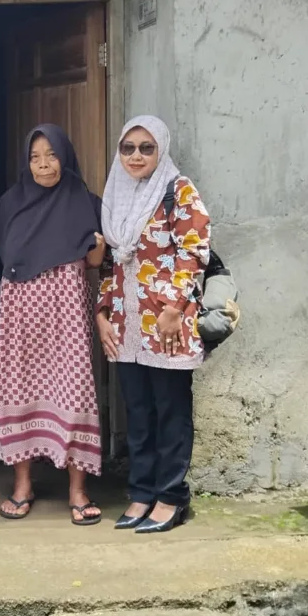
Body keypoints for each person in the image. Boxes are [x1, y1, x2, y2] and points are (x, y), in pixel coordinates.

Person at [0, 124, 106, 525]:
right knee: (19, 387)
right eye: (35, 157)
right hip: (19, 312)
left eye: (51, 155)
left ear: (65, 157)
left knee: (74, 392)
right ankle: (22, 486)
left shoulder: (86, 202)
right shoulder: (15, 200)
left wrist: (98, 250)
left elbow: (96, 259)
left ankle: (78, 490)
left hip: (66, 314)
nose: (43, 165)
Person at [96, 115, 211, 534]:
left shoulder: (177, 190)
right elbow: (111, 262)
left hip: (166, 325)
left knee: (170, 411)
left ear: (160, 149)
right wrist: (102, 314)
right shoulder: (117, 194)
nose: (136, 156)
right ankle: (142, 493)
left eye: (147, 148)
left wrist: (174, 308)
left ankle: (171, 497)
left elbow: (194, 251)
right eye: (128, 148)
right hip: (126, 326)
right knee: (138, 412)